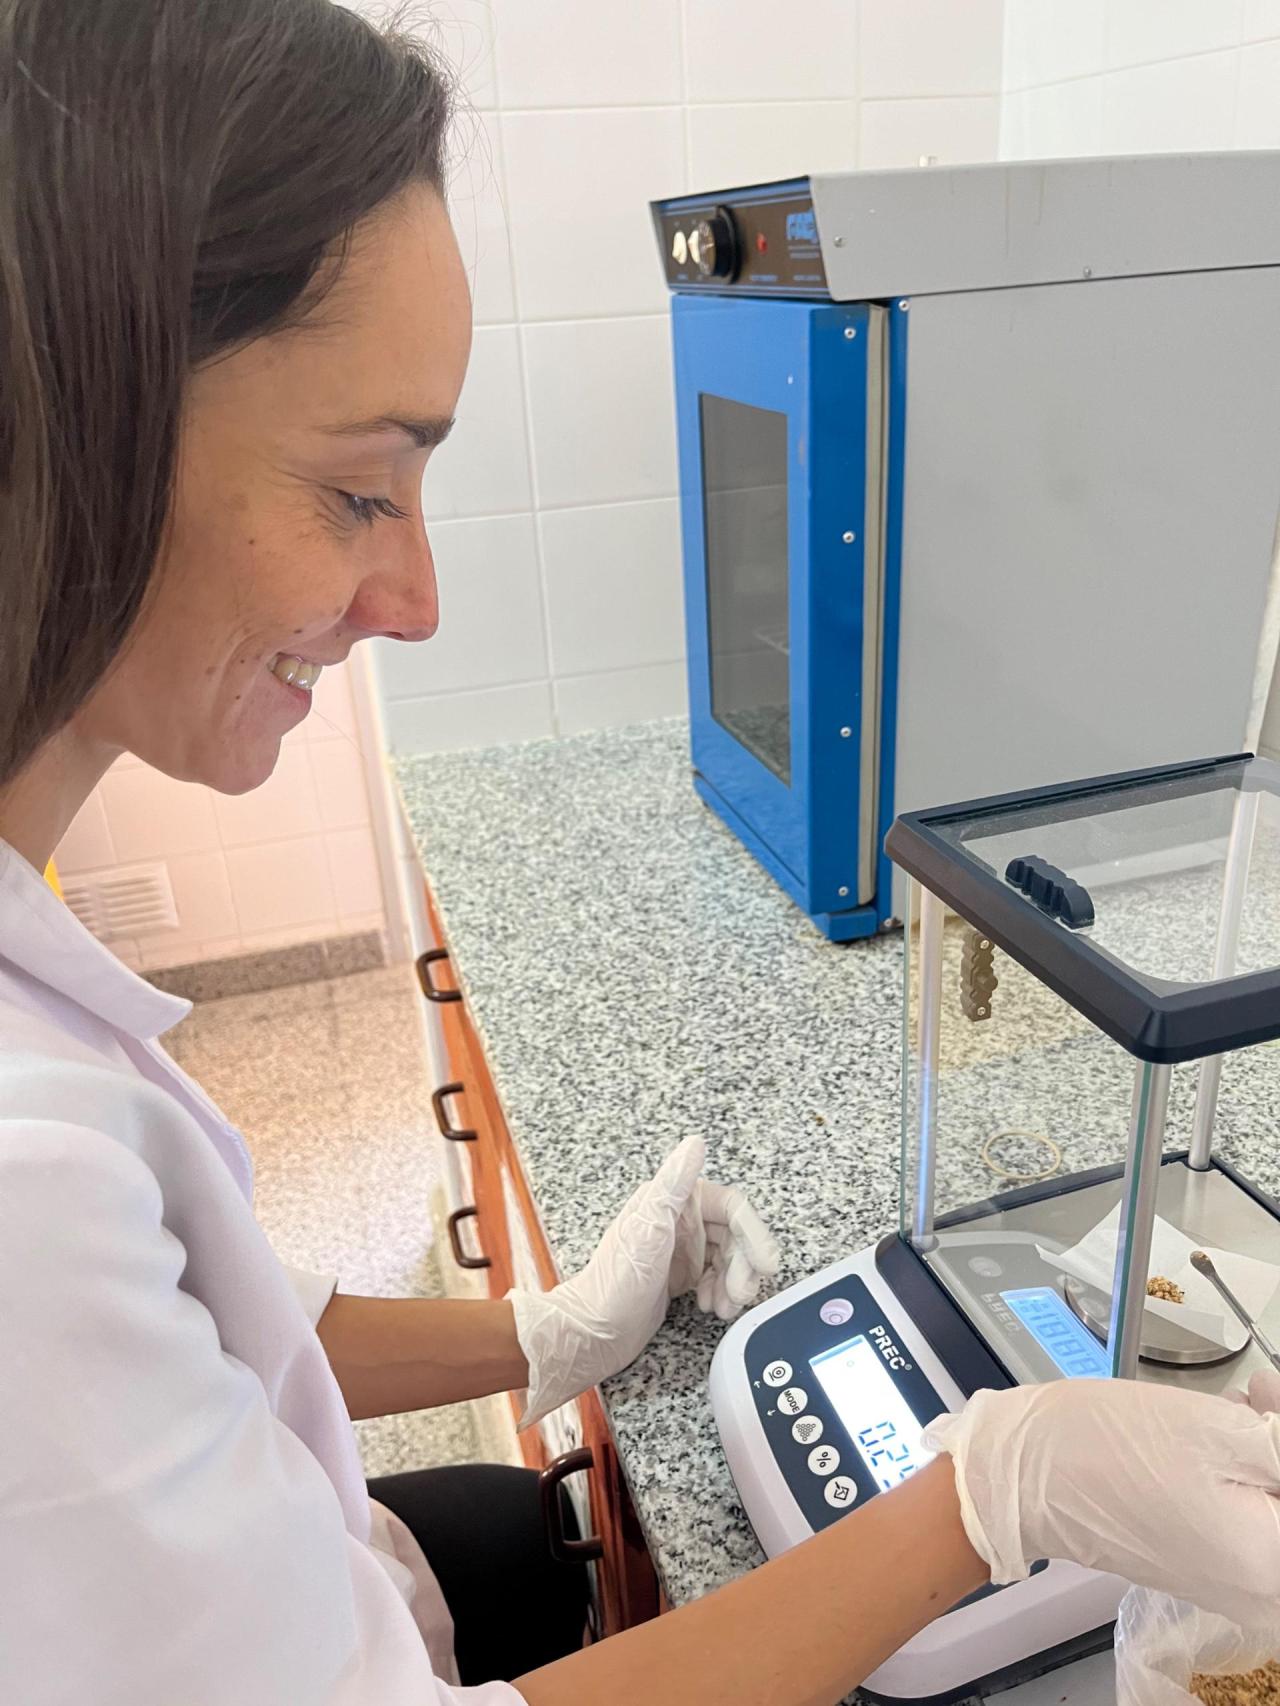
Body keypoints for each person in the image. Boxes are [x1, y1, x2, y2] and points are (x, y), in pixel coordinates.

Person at [0, 5, 1277, 1704]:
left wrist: (541, 1328)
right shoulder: (21, 1192)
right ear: (70, 431)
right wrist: (982, 1498)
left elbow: (194, 1307)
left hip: (327, 1565)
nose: (419, 599)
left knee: (512, 1527)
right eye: (360, 489)